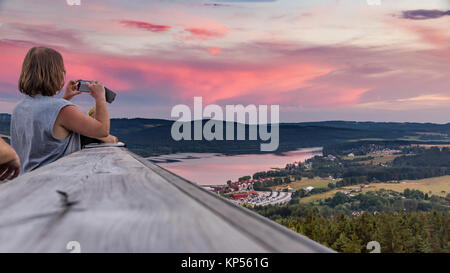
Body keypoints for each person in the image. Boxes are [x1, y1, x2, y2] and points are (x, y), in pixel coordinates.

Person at [11, 46, 115, 174]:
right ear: (56, 74)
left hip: (26, 182)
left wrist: (66, 98)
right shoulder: (61, 109)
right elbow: (102, 130)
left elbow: (49, 120)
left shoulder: (19, 108)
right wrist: (100, 98)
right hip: (54, 184)